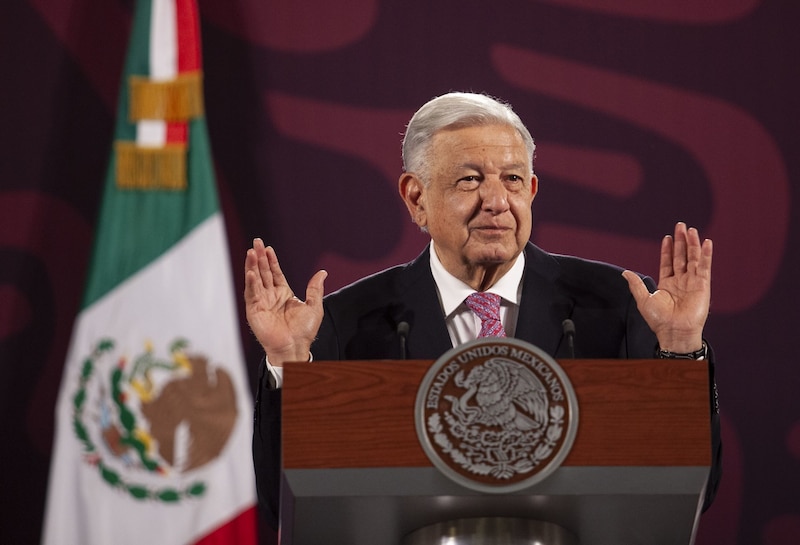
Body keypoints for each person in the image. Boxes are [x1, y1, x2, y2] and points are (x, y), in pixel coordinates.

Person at [244, 92, 721, 528]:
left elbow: (698, 487)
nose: (496, 202)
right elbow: (282, 499)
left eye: (512, 179)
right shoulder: (345, 322)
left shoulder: (617, 305)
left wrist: (680, 348)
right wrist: (289, 364)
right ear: (416, 198)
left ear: (531, 190)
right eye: (470, 180)